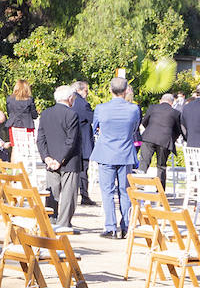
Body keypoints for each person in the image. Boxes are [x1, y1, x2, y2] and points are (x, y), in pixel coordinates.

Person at [92, 77, 141, 239]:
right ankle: (126, 225)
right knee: (125, 192)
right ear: (126, 90)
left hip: (106, 152)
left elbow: (94, 129)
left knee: (107, 191)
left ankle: (110, 227)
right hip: (125, 153)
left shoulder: (101, 108)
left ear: (110, 90)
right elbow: (134, 129)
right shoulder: (134, 109)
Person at [37, 85, 82, 231]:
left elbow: (40, 139)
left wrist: (47, 158)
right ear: (70, 98)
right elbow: (71, 140)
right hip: (68, 160)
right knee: (69, 195)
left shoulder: (45, 113)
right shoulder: (72, 114)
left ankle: (50, 222)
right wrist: (59, 159)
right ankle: (64, 224)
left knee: (52, 193)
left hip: (51, 160)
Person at [139, 93, 183, 188]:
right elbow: (178, 130)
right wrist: (171, 137)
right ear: (172, 103)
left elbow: (144, 121)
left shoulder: (152, 107)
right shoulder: (176, 113)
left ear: (160, 101)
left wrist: (151, 130)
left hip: (149, 137)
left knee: (144, 162)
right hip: (165, 139)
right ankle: (160, 190)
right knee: (161, 166)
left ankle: (139, 185)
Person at [72, 79, 97, 205]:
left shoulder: (71, 102)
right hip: (83, 142)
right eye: (86, 90)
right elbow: (92, 118)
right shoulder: (82, 104)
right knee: (83, 170)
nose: (87, 93)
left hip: (74, 141)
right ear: (79, 90)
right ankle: (84, 195)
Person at [5, 79, 38, 147]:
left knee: (15, 146)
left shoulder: (9, 99)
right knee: (27, 146)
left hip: (13, 124)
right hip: (27, 125)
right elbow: (34, 115)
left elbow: (9, 113)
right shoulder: (30, 99)